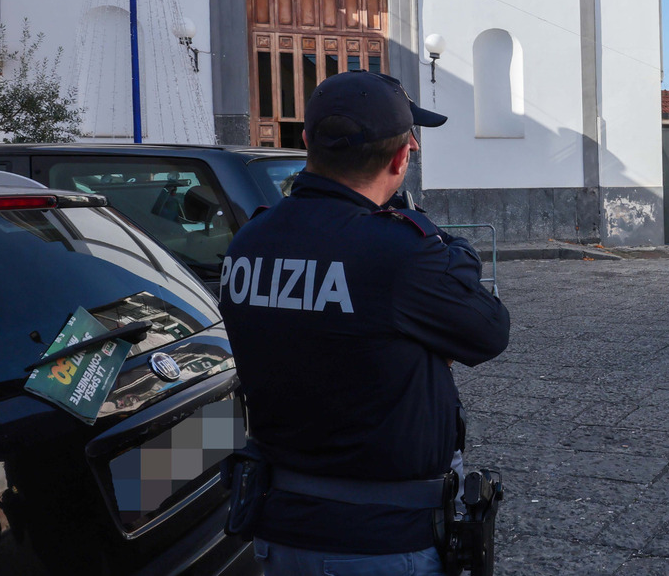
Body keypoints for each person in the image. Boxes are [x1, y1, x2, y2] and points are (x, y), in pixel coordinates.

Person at [218, 70, 510, 575]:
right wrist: (449, 248)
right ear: (402, 157)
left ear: (307, 141)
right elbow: (489, 331)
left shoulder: (249, 241)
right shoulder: (401, 254)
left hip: (280, 524)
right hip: (378, 542)